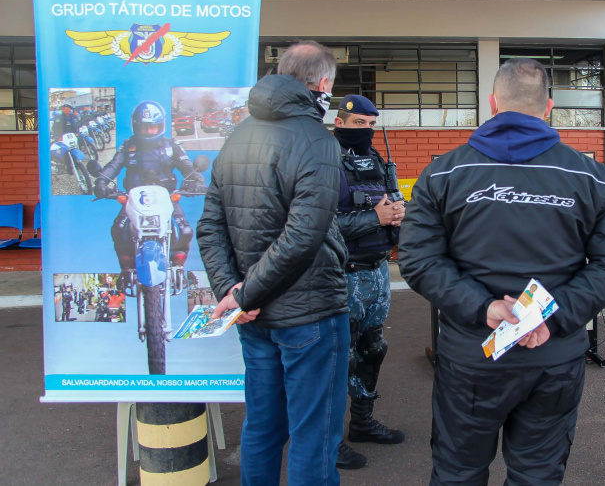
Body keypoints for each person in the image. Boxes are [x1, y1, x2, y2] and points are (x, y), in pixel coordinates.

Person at [399, 57, 605, 486]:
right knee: (538, 474)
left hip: (473, 356)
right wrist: (553, 316)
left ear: (493, 103)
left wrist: (484, 307)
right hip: (553, 355)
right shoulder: (593, 177)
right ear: (548, 106)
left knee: (457, 472)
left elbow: (418, 260)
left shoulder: (443, 173)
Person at [196, 41, 349, 486]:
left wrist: (235, 291)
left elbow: (210, 226)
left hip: (254, 317)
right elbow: (303, 237)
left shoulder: (237, 135)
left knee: (262, 428)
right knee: (314, 437)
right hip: (309, 316)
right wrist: (242, 294)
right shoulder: (317, 140)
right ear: (323, 84)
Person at [331, 94, 406, 470]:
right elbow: (318, 226)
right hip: (341, 275)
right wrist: (376, 219)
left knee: (373, 348)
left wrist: (397, 213)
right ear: (340, 121)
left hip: (377, 271)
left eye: (372, 124)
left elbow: (387, 203)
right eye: (359, 123)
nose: (367, 130)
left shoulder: (376, 158)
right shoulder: (323, 159)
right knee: (336, 359)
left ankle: (362, 423)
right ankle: (328, 442)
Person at [93, 101, 206, 289]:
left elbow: (187, 166)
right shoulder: (128, 147)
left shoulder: (171, 146)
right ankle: (127, 267)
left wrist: (198, 181)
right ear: (136, 126)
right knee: (118, 229)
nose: (149, 131)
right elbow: (113, 165)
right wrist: (101, 181)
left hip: (167, 198)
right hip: (134, 199)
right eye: (145, 127)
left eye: (153, 127)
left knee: (185, 230)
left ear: (160, 126)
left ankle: (178, 266)